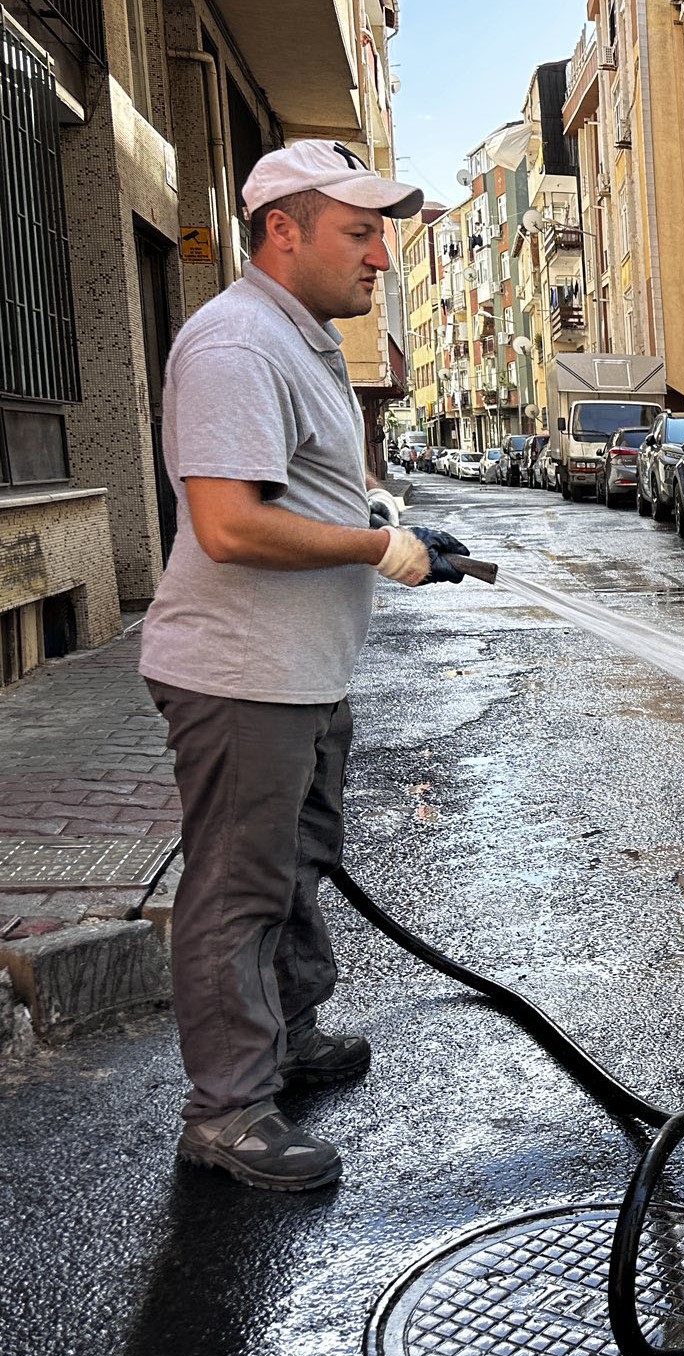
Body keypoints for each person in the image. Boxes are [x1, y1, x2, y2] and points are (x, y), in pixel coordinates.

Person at [139, 143, 469, 1192]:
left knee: (296, 859)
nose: (381, 256)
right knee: (238, 887)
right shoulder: (237, 343)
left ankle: (285, 1034)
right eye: (360, 231)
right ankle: (229, 1111)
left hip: (302, 671)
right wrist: (377, 548)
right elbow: (231, 524)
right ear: (285, 228)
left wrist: (377, 516)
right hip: (241, 675)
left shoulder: (305, 342)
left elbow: (307, 488)